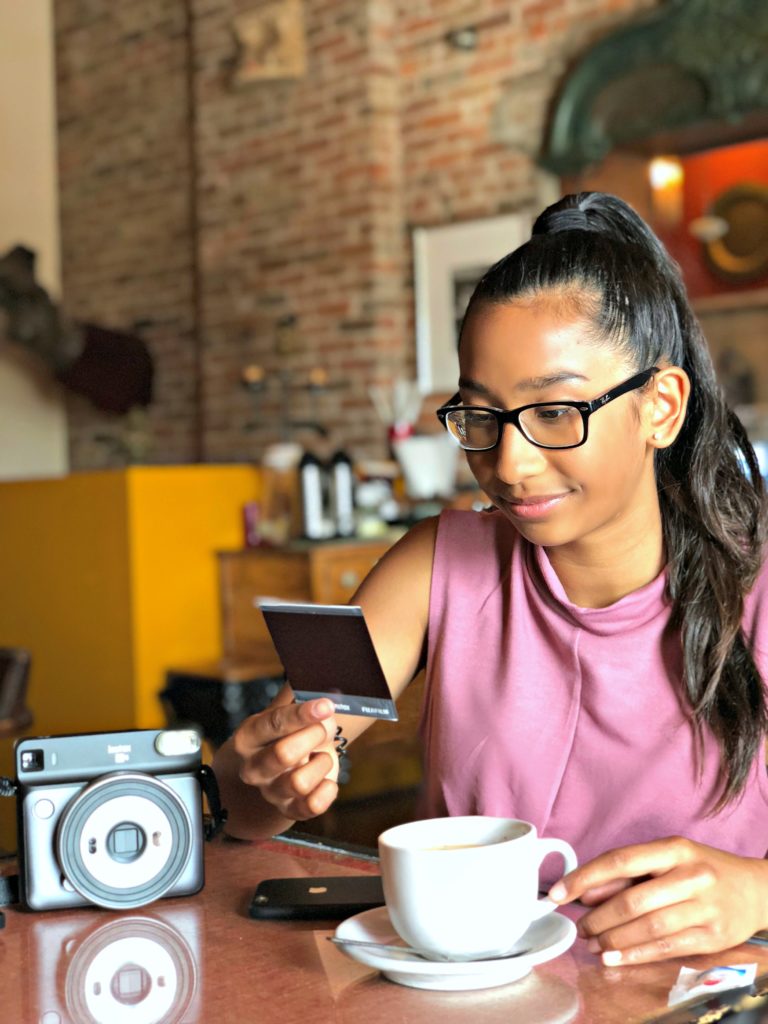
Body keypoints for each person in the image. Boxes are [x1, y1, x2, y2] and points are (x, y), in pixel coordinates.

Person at [213, 192, 768, 967]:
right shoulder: (433, 566)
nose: (509, 464)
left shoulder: (759, 587)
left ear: (661, 407)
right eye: (481, 417)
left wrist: (756, 890)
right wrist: (261, 777)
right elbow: (254, 798)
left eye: (553, 412)